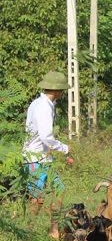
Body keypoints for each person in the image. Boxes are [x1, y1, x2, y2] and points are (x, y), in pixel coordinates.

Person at [22, 71, 75, 210]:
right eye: (62, 89)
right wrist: (65, 149)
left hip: (43, 158)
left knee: (59, 190)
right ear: (57, 90)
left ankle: (54, 230)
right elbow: (46, 136)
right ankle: (30, 229)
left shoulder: (40, 103)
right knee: (37, 197)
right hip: (35, 159)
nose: (63, 92)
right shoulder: (43, 107)